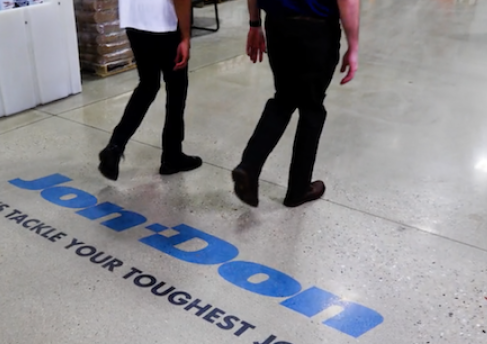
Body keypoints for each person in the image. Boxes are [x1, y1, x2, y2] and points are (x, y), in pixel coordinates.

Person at [231, 0, 360, 207]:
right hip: (317, 29)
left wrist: (254, 24)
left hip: (278, 27)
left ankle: (249, 165)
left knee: (283, 100)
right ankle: (298, 190)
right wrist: (353, 46)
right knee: (312, 108)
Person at [98, 0, 203, 181]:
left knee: (148, 85)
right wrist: (186, 37)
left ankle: (115, 146)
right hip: (164, 22)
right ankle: (172, 156)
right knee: (176, 88)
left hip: (134, 19)